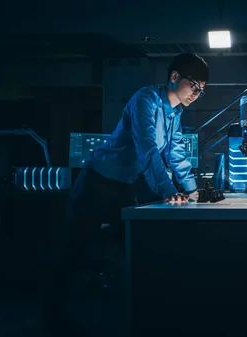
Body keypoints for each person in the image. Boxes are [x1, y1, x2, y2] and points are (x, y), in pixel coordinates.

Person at [41, 53, 209, 336]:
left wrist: (194, 192)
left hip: (122, 185)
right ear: (174, 77)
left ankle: (133, 317)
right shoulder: (145, 100)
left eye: (202, 90)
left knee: (131, 246)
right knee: (72, 252)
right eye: (195, 86)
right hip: (96, 183)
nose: (197, 94)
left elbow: (175, 152)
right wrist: (168, 190)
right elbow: (148, 149)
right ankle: (53, 321)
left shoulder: (175, 113)